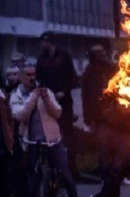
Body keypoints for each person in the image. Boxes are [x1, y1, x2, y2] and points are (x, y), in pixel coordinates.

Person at [10, 64, 81, 197]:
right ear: (21, 77)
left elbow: (58, 113)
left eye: (33, 74)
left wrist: (46, 98)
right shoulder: (17, 96)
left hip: (52, 140)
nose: (31, 78)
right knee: (34, 178)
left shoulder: (46, 92)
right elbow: (20, 115)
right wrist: (34, 97)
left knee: (65, 171)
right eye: (28, 75)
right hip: (31, 142)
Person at [36, 32, 78, 178]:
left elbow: (72, 77)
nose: (41, 45)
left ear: (50, 42)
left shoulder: (64, 56)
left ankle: (72, 168)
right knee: (51, 133)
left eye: (43, 42)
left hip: (64, 101)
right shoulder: (41, 59)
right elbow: (39, 78)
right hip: (49, 101)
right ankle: (54, 166)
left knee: (67, 133)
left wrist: (64, 91)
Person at [0, 89, 14, 197]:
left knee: (5, 185)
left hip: (3, 148)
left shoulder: (2, 96)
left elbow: (9, 120)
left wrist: (10, 139)